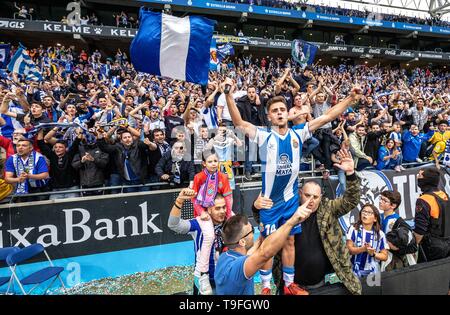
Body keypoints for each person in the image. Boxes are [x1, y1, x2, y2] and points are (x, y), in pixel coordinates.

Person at [223, 77, 362, 295]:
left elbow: (328, 115)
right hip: (269, 202)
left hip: (289, 200)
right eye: (275, 110)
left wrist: (350, 99)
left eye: (282, 109)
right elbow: (239, 123)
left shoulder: (299, 133)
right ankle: (267, 287)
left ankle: (288, 285)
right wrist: (229, 96)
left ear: (287, 113)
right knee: (267, 247)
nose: (279, 113)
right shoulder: (264, 135)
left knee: (289, 242)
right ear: (269, 116)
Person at [253, 148, 362, 294]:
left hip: (320, 283)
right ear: (300, 193)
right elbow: (264, 222)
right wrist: (255, 206)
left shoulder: (329, 208)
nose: (311, 200)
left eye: (315, 197)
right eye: (307, 195)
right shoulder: (288, 210)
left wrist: (350, 174)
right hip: (290, 284)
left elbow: (351, 200)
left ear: (321, 197)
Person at [214, 197, 313, 295]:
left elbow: (249, 254)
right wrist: (292, 221)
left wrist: (263, 234)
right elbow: (264, 253)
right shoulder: (238, 268)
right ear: (242, 242)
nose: (253, 233)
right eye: (251, 231)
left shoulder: (225, 257)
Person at [168, 188, 227, 295]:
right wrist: (179, 201)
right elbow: (173, 224)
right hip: (203, 279)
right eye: (217, 208)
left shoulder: (229, 223)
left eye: (224, 207)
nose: (222, 211)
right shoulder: (198, 224)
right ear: (208, 209)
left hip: (224, 279)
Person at [190, 151, 234, 295]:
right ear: (204, 164)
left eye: (216, 161)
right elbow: (194, 199)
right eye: (210, 161)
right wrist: (202, 212)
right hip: (204, 214)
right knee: (209, 236)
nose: (214, 164)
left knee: (238, 226)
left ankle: (232, 266)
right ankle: (202, 274)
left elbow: (228, 198)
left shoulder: (223, 177)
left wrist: (228, 215)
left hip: (222, 210)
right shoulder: (198, 177)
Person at [414, 167, 450, 262]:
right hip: (447, 241)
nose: (417, 176)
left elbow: (420, 230)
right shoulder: (443, 194)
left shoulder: (424, 200)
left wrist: (414, 246)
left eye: (420, 175)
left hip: (432, 247)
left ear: (426, 180)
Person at [378, 191, 417, 271]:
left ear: (393, 205)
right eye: (380, 198)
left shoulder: (399, 222)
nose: (380, 201)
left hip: (393, 262)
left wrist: (397, 249)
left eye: (384, 200)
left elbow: (413, 246)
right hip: (378, 257)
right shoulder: (377, 217)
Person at [346, 204, 389, 277]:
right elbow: (349, 250)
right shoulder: (353, 229)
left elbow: (385, 256)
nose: (365, 213)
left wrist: (373, 254)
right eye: (363, 211)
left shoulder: (380, 234)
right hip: (354, 271)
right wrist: (363, 249)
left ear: (375, 219)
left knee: (372, 288)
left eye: (369, 212)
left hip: (373, 273)